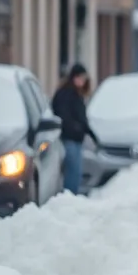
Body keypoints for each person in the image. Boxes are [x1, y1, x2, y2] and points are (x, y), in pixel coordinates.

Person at [51, 63, 96, 194]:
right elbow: (64, 116)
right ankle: (69, 196)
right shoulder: (66, 94)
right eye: (79, 77)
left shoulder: (77, 95)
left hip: (76, 139)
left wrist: (91, 134)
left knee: (76, 172)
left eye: (83, 78)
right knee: (73, 171)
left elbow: (82, 118)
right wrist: (75, 128)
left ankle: (71, 196)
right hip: (69, 138)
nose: (81, 81)